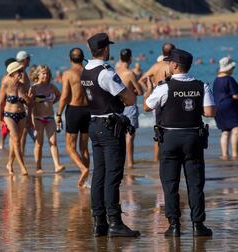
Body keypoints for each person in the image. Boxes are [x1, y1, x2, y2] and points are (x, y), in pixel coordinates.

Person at [143, 48, 216, 237]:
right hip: (193, 138)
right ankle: (198, 225)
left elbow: (146, 106)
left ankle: (174, 225)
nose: (167, 65)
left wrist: (150, 92)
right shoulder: (202, 86)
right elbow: (209, 112)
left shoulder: (164, 87)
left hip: (170, 139)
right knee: (195, 183)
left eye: (169, 63)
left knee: (170, 184)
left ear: (175, 65)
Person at [81, 33, 139, 237]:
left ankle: (99, 222)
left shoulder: (85, 71)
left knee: (99, 175)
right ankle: (115, 222)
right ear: (105, 49)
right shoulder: (105, 72)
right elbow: (130, 98)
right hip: (109, 126)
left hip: (94, 124)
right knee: (113, 176)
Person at [56, 48, 90, 187]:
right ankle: (86, 181)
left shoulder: (68, 74)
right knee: (84, 147)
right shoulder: (89, 72)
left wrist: (58, 113)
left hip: (74, 110)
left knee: (70, 147)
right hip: (88, 110)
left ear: (70, 59)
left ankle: (83, 169)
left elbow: (64, 96)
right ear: (83, 58)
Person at [138, 42, 175, 162]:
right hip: (172, 101)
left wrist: (149, 91)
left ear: (162, 52)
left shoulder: (156, 66)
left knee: (158, 131)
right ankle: (169, 159)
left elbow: (141, 80)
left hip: (158, 101)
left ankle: (156, 160)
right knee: (173, 130)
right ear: (173, 52)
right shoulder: (173, 66)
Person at [0, 62, 31, 175]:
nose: (21, 74)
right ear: (12, 74)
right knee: (16, 140)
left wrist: (28, 99)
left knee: (15, 142)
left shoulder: (23, 86)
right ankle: (22, 167)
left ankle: (10, 164)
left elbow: (29, 103)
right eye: (18, 72)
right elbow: (1, 103)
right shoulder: (6, 84)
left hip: (21, 115)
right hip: (9, 115)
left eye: (22, 71)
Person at [30, 65, 65, 173]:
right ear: (38, 74)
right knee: (39, 143)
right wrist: (30, 120)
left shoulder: (51, 87)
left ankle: (57, 165)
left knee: (53, 141)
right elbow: (30, 104)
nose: (46, 75)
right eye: (43, 73)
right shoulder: (34, 88)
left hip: (50, 117)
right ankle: (38, 167)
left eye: (47, 73)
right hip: (37, 118)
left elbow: (59, 96)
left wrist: (51, 102)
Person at [115, 48, 144, 168]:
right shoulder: (129, 73)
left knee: (119, 136)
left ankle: (120, 161)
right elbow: (140, 91)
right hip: (130, 106)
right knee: (129, 136)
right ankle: (130, 162)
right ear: (130, 58)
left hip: (117, 107)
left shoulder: (115, 71)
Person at [213, 57, 238, 160]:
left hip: (218, 108)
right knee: (236, 129)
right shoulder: (229, 79)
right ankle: (235, 154)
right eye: (232, 68)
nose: (233, 70)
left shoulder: (216, 80)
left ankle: (224, 154)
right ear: (228, 69)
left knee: (225, 131)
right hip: (230, 107)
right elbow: (235, 95)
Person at [16, 50, 33, 154]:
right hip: (22, 105)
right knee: (23, 132)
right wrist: (27, 101)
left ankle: (20, 154)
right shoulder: (21, 71)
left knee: (21, 133)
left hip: (21, 104)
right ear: (25, 60)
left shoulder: (20, 70)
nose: (30, 61)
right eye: (29, 59)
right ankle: (20, 154)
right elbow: (20, 89)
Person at [0, 58, 17, 150]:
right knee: (5, 128)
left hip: (12, 105)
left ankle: (7, 144)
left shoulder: (14, 75)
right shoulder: (6, 78)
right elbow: (3, 94)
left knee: (10, 129)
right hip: (7, 104)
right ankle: (2, 143)